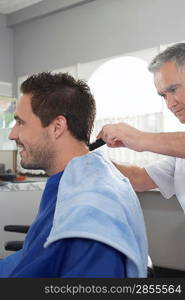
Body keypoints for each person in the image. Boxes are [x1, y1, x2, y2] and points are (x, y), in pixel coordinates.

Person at [0, 72, 148, 278]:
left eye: (21, 123)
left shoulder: (90, 211)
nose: (12, 134)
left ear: (57, 127)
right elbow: (30, 257)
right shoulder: (71, 181)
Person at [97, 42, 185, 212]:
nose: (170, 104)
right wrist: (91, 160)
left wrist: (139, 138)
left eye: (173, 89)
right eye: (164, 96)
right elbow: (140, 178)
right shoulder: (179, 155)